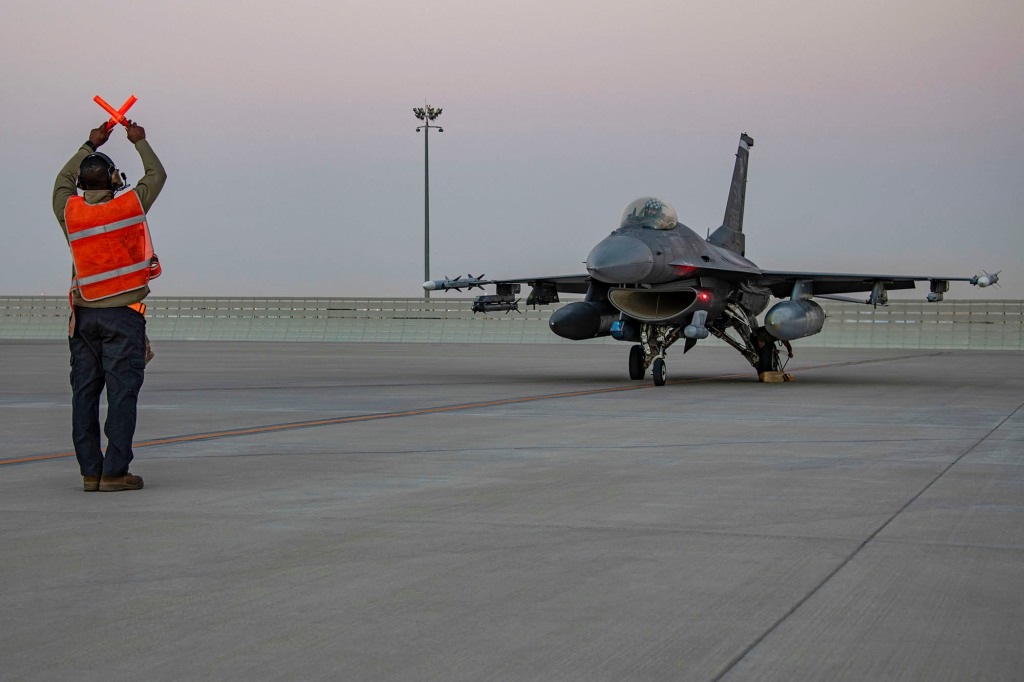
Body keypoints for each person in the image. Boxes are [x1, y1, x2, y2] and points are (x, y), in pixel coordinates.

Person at [52, 119, 167, 492]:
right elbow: (157, 174)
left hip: (83, 318)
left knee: (84, 394)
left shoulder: (71, 213)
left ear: (83, 185)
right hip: (123, 317)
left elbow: (61, 182)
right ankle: (115, 471)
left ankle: (90, 472)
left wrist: (89, 143)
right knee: (121, 394)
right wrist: (139, 141)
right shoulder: (129, 207)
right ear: (115, 181)